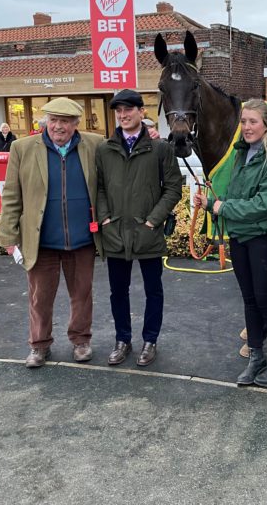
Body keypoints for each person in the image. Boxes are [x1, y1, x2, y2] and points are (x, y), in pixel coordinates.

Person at [194, 99, 267, 388]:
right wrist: (210, 202)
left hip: (263, 239)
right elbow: (236, 197)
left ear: (266, 125)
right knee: (249, 300)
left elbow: (264, 204)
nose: (247, 127)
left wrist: (222, 208)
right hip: (239, 238)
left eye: (253, 122)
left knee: (266, 301)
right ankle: (257, 357)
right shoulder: (241, 154)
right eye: (244, 121)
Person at [0, 97, 104, 368]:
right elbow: (11, 195)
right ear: (45, 122)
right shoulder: (22, 148)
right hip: (41, 241)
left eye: (65, 121)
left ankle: (81, 340)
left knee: (82, 295)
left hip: (82, 239)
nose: (58, 126)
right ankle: (39, 345)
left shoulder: (95, 144)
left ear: (76, 124)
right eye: (54, 120)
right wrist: (9, 236)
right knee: (40, 298)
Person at [95, 89, 182, 367]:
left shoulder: (160, 148)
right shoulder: (104, 149)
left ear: (141, 112)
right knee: (117, 291)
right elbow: (99, 187)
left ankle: (150, 340)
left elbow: (173, 188)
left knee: (153, 290)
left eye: (128, 110)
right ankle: (122, 340)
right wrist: (105, 218)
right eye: (119, 111)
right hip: (115, 232)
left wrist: (153, 220)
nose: (123, 115)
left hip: (148, 233)